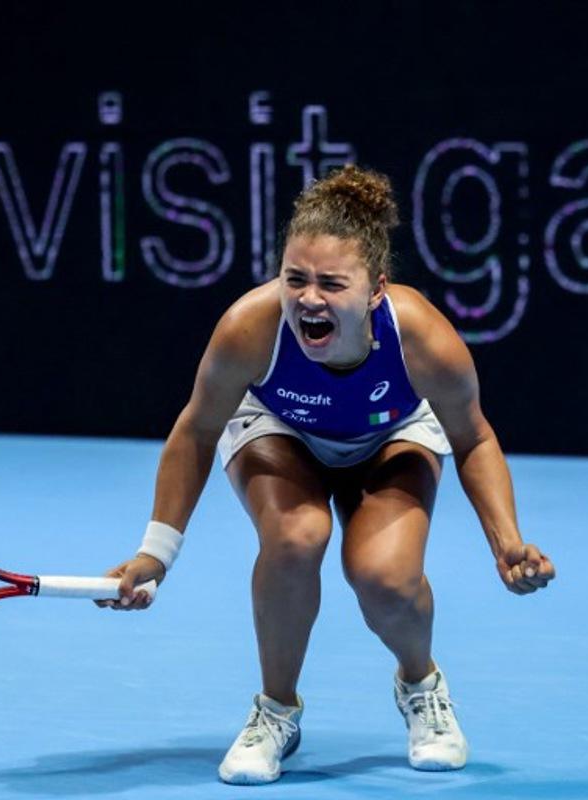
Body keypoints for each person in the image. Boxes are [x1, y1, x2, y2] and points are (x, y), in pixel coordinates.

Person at [99, 164, 556, 785]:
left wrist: (506, 542)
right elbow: (198, 429)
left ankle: (421, 685)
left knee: (384, 578)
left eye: (331, 284)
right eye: (295, 278)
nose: (308, 298)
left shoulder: (421, 338)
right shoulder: (249, 328)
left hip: (391, 436)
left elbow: (473, 436)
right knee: (296, 536)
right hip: (279, 431)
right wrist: (156, 552)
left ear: (375, 290)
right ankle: (275, 710)